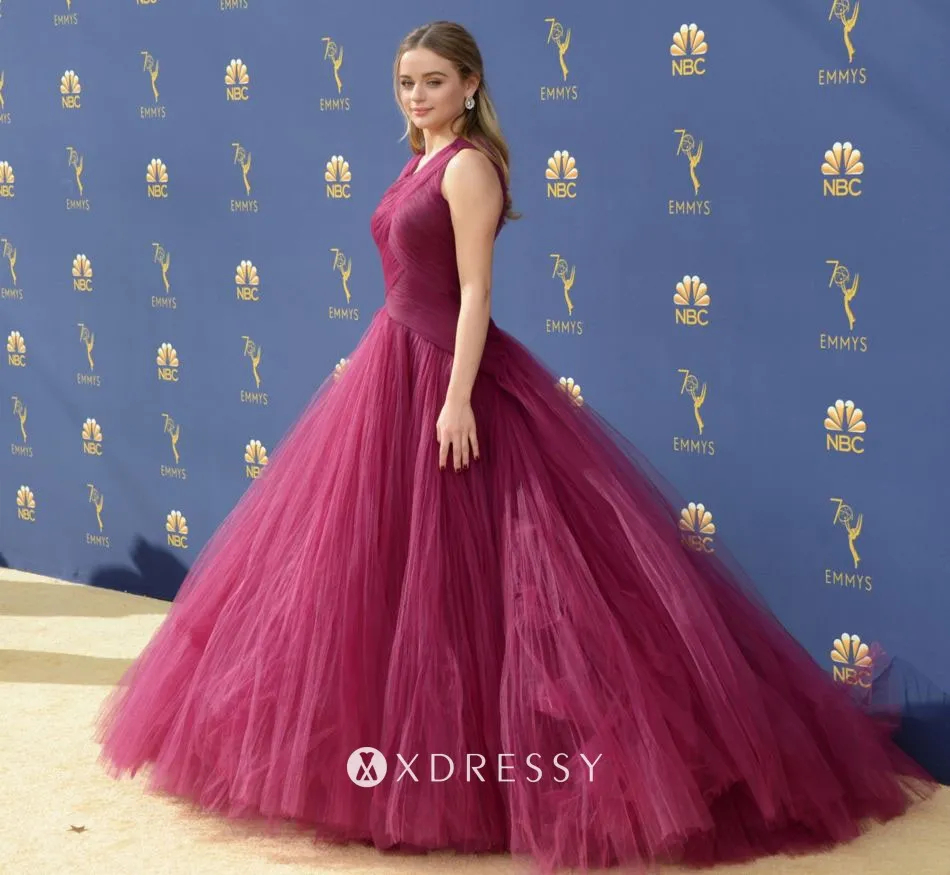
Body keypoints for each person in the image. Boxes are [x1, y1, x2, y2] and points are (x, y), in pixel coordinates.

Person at [96, 19, 937, 874]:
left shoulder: (467, 167)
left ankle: (478, 778)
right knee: (384, 575)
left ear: (469, 84)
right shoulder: (418, 159)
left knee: (478, 580)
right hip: (391, 368)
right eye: (405, 83)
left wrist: (457, 399)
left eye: (432, 82)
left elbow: (474, 292)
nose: (416, 97)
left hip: (448, 378)